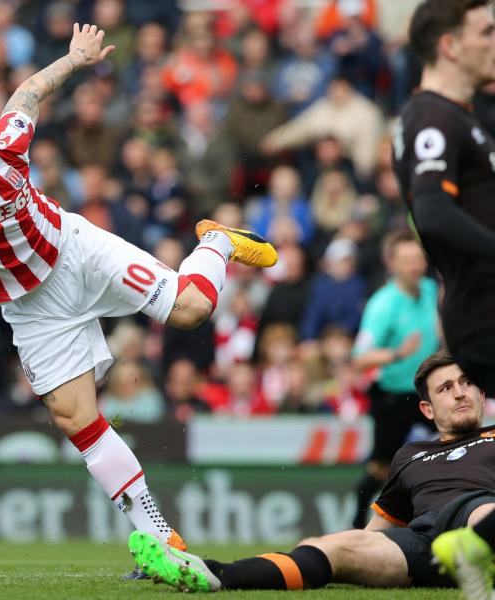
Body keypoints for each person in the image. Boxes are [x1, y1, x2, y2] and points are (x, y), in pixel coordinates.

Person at [0, 22, 277, 576]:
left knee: (193, 311)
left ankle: (216, 241)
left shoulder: (6, 145)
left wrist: (75, 59)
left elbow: (27, 92)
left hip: (75, 251)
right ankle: (161, 539)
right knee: (75, 417)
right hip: (32, 309)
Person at [130, 350, 495, 593]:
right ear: (428, 410)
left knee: (483, 513)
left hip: (480, 515)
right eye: (446, 388)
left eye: (466, 383)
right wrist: (346, 547)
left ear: (481, 393)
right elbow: (373, 534)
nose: (460, 393)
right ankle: (214, 574)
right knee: (329, 546)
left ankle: (480, 550)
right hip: (425, 543)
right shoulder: (411, 455)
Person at [388, 1, 495, 592]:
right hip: (484, 311)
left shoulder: (460, 114)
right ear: (450, 45)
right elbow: (432, 211)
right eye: (487, 32)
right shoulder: (433, 116)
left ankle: (475, 545)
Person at [350, 230, 440, 528]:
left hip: (425, 392)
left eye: (418, 259)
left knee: (451, 447)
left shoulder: (430, 290)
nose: (415, 265)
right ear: (392, 263)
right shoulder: (383, 305)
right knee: (380, 468)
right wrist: (397, 354)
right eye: (407, 260)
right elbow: (360, 358)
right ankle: (356, 524)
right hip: (393, 396)